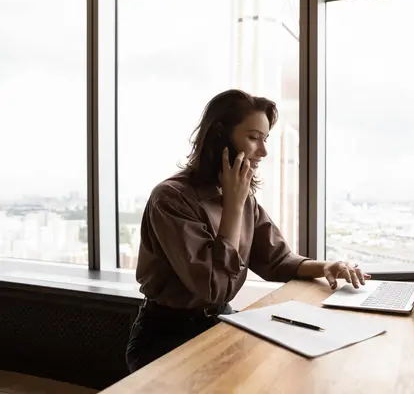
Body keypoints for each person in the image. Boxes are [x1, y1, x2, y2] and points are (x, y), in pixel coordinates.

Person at [125, 89, 369, 373]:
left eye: (265, 139)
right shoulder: (170, 198)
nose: (263, 151)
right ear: (220, 135)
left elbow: (276, 260)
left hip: (218, 323)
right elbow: (214, 287)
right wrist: (233, 205)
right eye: (254, 138)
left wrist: (328, 265)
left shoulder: (242, 198)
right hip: (166, 336)